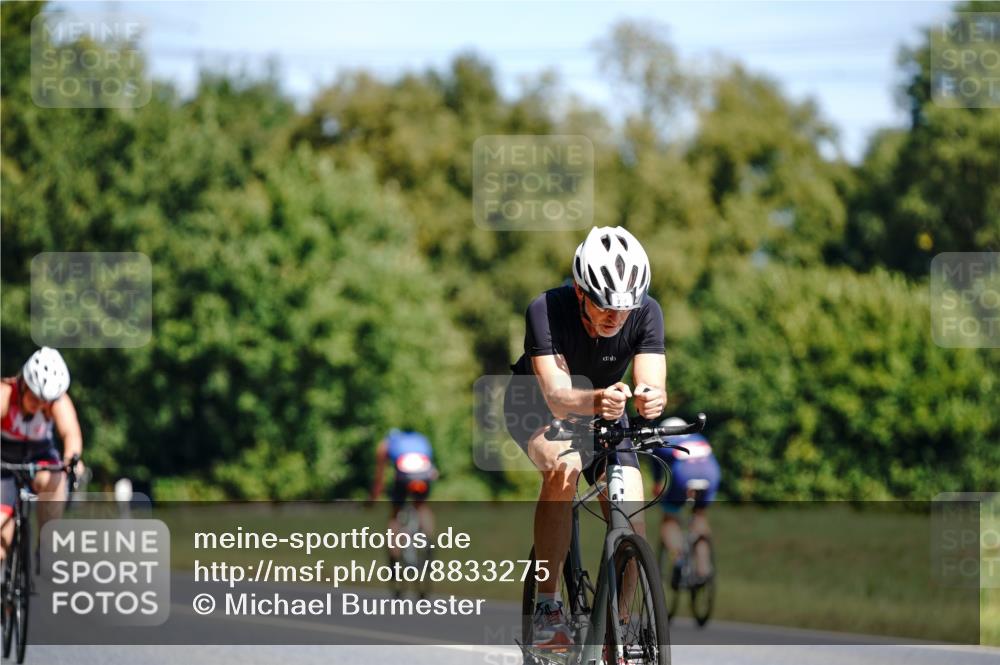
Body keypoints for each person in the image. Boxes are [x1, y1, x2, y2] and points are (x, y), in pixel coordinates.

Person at [504, 226, 667, 649]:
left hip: (605, 412)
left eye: (627, 308)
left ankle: (624, 626)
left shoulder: (647, 312)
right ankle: (548, 606)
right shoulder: (545, 309)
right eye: (605, 306)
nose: (617, 317)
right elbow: (557, 396)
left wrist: (651, 398)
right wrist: (598, 400)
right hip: (537, 405)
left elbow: (650, 379)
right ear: (580, 291)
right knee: (565, 466)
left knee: (631, 505)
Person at [1, 347, 84, 562]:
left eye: (46, 400)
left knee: (57, 477)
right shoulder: (5, 394)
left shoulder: (56, 401)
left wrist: (72, 461)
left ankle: (47, 542)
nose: (41, 405)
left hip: (39, 455)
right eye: (36, 398)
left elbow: (71, 434)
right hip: (4, 460)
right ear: (24, 385)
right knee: (3, 537)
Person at [650, 417, 720, 586]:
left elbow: (658, 474)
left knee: (669, 518)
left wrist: (657, 486)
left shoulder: (661, 438)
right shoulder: (698, 437)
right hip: (711, 474)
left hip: (683, 475)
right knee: (700, 515)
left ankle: (679, 560)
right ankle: (704, 569)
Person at [370, 429, 438, 552]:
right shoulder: (421, 439)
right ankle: (429, 547)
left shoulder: (388, 442)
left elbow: (379, 475)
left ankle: (394, 559)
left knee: (395, 515)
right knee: (421, 507)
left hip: (403, 475)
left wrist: (376, 493)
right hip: (424, 472)